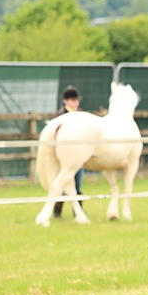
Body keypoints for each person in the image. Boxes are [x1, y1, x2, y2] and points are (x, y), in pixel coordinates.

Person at [52, 86, 84, 219]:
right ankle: (57, 210)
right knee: (64, 182)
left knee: (77, 184)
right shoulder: (61, 116)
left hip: (79, 154)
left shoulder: (82, 115)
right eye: (72, 100)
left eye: (77, 100)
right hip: (64, 155)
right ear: (65, 101)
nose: (75, 103)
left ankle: (78, 212)